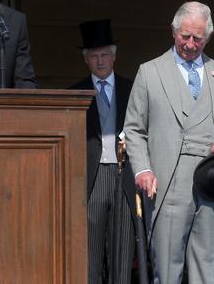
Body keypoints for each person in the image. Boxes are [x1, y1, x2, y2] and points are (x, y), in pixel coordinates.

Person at [124, 1, 214, 284]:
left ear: (208, 37)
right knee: (166, 270)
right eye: (185, 36)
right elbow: (134, 128)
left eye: (198, 38)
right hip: (168, 183)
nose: (190, 44)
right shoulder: (150, 72)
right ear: (173, 31)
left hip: (212, 182)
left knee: (206, 269)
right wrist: (142, 170)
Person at [69, 20, 135, 284]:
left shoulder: (133, 90)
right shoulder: (75, 94)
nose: (100, 61)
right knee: (89, 257)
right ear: (86, 59)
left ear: (114, 56)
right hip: (91, 179)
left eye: (104, 55)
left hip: (124, 177)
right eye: (94, 56)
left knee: (122, 255)